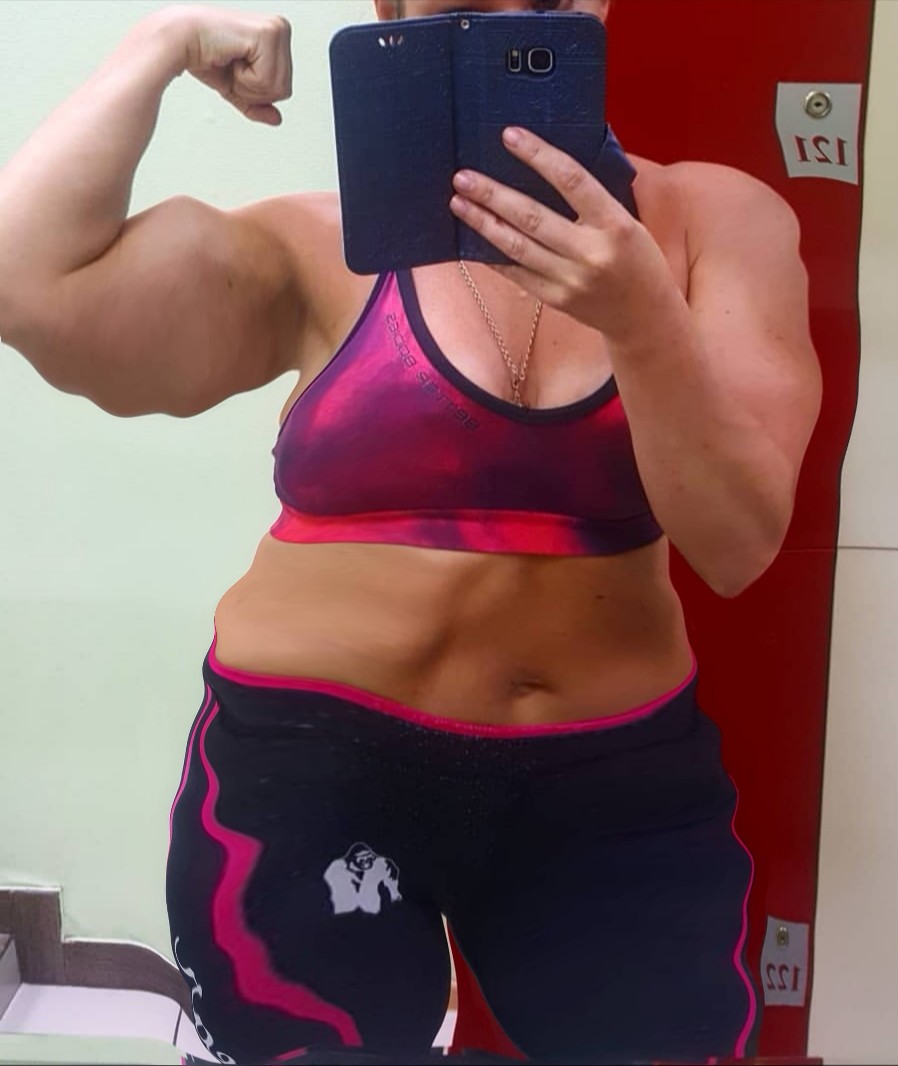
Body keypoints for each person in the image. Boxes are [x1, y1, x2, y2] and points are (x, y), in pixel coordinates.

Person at [0, 0, 822, 1063]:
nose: (508, 21)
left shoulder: (718, 224)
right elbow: (30, 287)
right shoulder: (315, 242)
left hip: (608, 789)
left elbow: (739, 541)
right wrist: (157, 45)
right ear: (393, 12)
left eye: (543, 6)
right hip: (307, 771)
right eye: (466, 9)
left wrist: (641, 317)